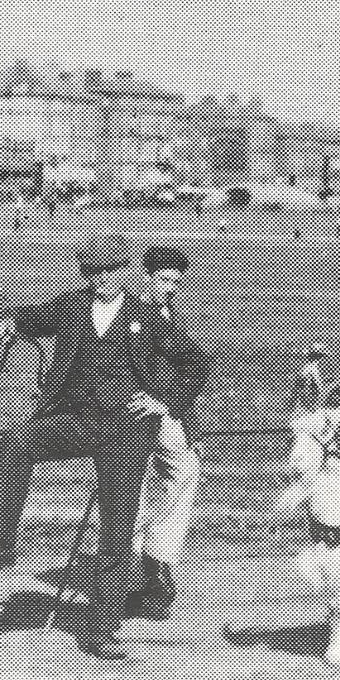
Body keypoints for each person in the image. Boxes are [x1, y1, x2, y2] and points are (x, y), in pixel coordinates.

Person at [0, 231, 209, 659]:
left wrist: (164, 401)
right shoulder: (71, 306)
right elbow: (24, 319)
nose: (102, 279)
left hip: (128, 431)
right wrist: (2, 322)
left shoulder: (150, 318)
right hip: (78, 420)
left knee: (117, 530)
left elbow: (197, 362)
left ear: (124, 273)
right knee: (18, 438)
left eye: (110, 271)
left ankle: (102, 629)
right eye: (94, 272)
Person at [132, 244, 210, 621]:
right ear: (147, 276)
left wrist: (170, 403)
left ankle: (152, 566)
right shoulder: (142, 312)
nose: (171, 286)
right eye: (164, 279)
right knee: (172, 476)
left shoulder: (163, 311)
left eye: (176, 281)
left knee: (180, 477)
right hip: (135, 414)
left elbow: (191, 362)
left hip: (163, 414)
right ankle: (145, 566)